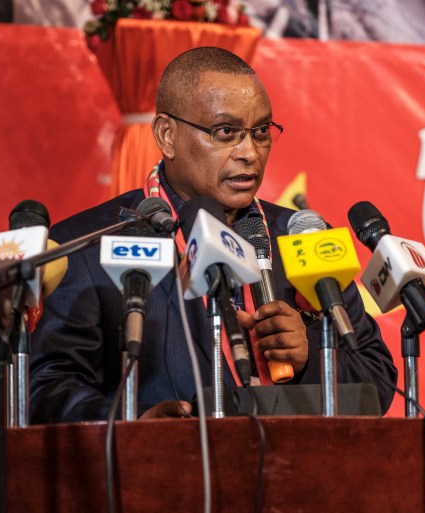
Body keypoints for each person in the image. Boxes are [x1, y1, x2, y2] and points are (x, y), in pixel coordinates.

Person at [29, 46, 397, 423]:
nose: (249, 153)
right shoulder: (89, 244)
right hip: (160, 473)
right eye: (226, 132)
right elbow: (48, 389)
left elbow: (378, 381)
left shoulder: (302, 237)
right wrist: (135, 425)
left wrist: (312, 359)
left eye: (261, 132)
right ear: (167, 135)